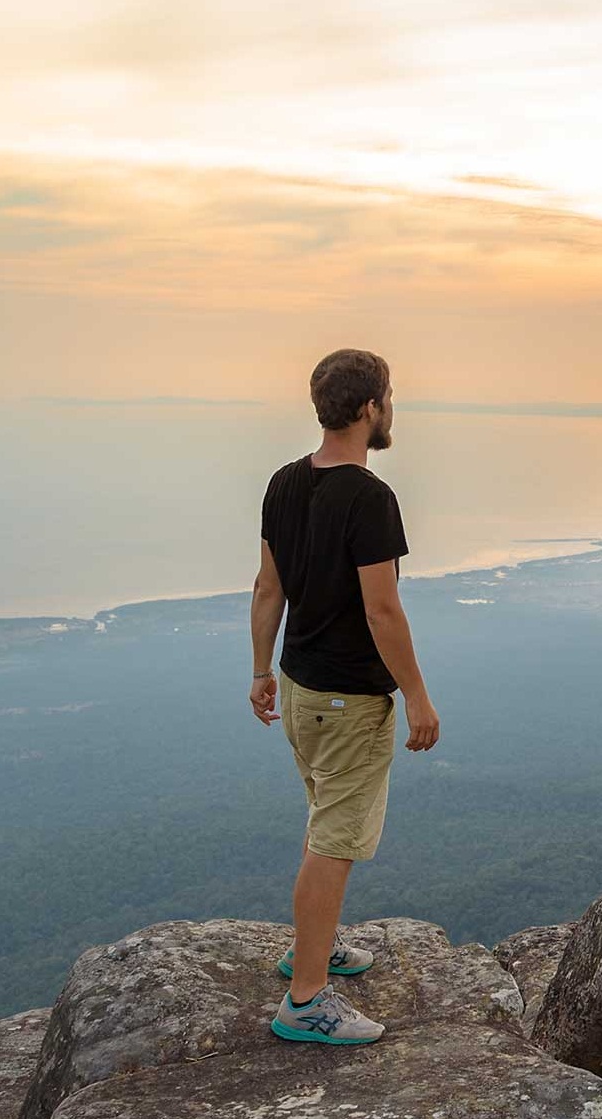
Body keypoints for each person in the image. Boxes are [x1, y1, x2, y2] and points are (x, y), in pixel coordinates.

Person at [248, 348, 441, 1045]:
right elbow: (382, 610)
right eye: (389, 395)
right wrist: (416, 696)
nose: (391, 407)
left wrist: (260, 669)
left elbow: (268, 586)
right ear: (369, 408)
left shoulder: (283, 482)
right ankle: (305, 1000)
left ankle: (316, 946)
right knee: (333, 839)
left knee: (323, 817)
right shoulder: (369, 497)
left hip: (299, 686)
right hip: (348, 697)